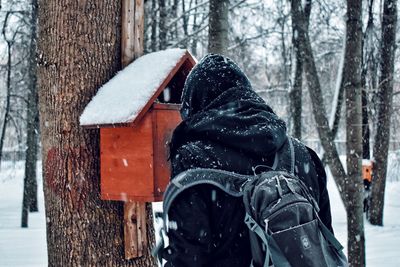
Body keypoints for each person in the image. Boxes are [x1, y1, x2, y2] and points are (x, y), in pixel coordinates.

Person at [162, 54, 333, 267]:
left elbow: (186, 258)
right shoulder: (302, 155)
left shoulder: (192, 159)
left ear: (194, 103)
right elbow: (325, 246)